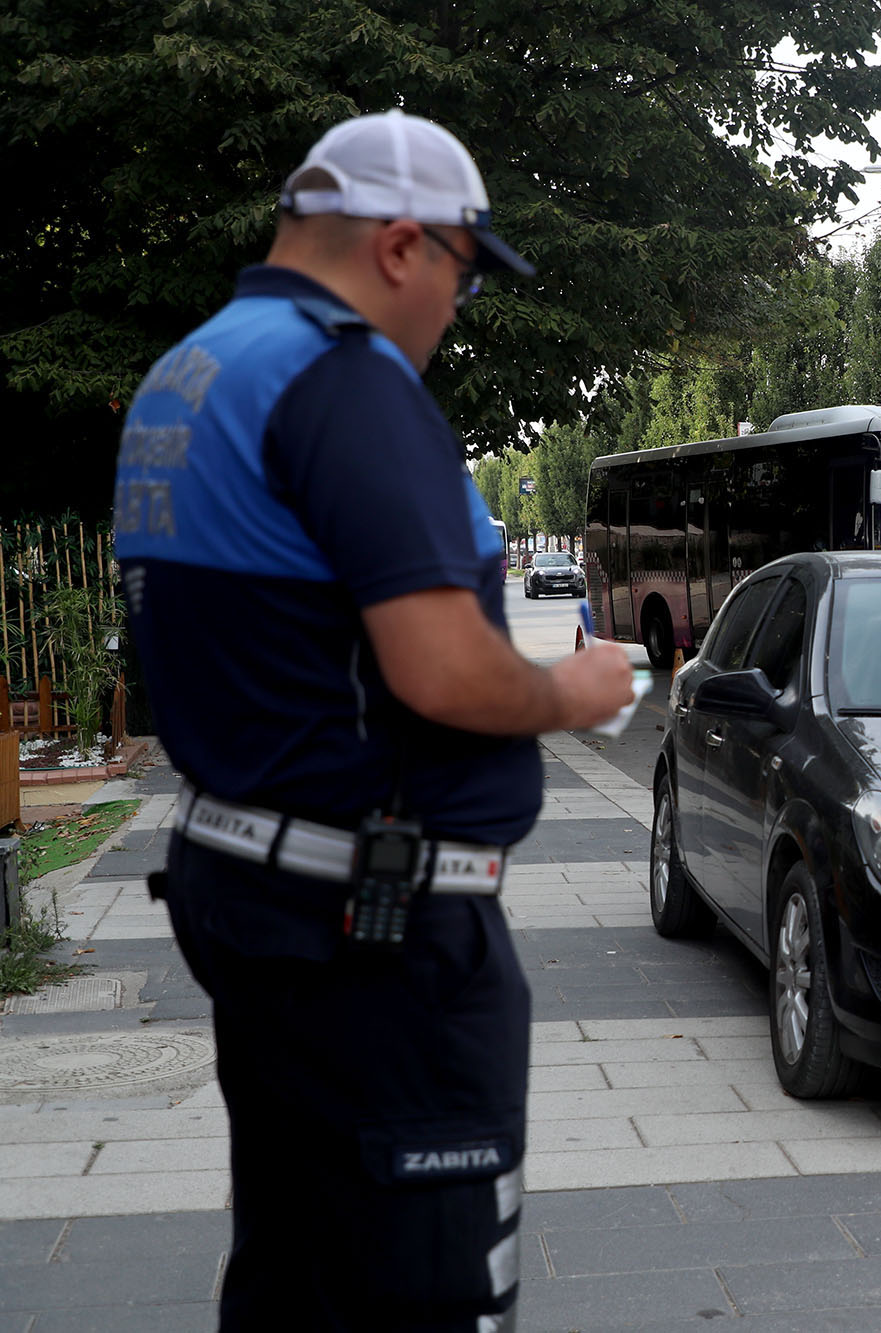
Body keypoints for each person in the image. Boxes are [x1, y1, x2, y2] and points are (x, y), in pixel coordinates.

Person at [113, 110, 635, 1331]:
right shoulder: (342, 377)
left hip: (260, 897)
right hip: (376, 936)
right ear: (401, 245)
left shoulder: (191, 374)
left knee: (297, 1276)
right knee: (424, 1289)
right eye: (460, 272)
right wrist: (572, 690)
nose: (456, 310)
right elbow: (443, 671)